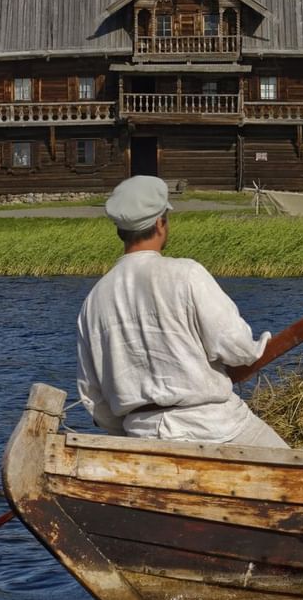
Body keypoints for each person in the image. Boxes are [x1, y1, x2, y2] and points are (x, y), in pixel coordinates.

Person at [75, 175, 289, 447]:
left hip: (143, 437)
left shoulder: (94, 301)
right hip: (216, 426)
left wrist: (127, 434)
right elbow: (238, 348)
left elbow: (93, 397)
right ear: (159, 223)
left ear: (120, 230)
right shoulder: (186, 274)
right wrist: (260, 345)